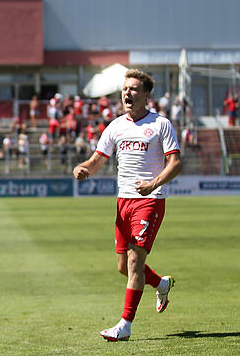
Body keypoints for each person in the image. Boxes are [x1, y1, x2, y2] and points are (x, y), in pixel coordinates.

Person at [72, 69, 182, 341]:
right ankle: (161, 283)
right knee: (124, 266)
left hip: (150, 201)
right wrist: (83, 168)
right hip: (123, 203)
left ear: (146, 95)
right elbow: (97, 159)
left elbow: (176, 163)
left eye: (134, 89)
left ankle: (125, 325)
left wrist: (154, 183)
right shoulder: (116, 126)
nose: (127, 93)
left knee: (135, 260)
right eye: (125, 89)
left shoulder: (160, 124)